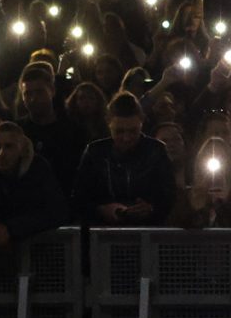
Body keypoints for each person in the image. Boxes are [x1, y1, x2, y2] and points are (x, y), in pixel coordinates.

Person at [73, 92, 177, 225]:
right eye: (119, 131)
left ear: (142, 121)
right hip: (104, 231)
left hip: (147, 229)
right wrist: (102, 210)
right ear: (108, 122)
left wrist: (151, 208)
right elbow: (79, 198)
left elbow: (170, 196)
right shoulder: (95, 152)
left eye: (133, 131)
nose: (126, 138)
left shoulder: (156, 151)